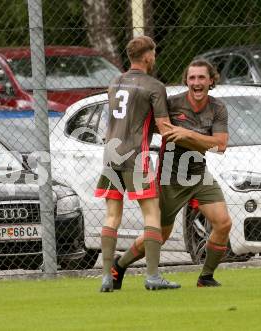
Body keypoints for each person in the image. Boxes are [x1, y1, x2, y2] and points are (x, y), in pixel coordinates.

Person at [111, 59, 232, 288]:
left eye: (201, 78)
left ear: (211, 81)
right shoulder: (172, 104)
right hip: (170, 178)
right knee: (160, 236)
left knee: (223, 223)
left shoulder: (218, 108)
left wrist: (186, 135)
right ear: (186, 81)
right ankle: (120, 265)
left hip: (198, 174)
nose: (196, 82)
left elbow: (220, 146)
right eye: (192, 78)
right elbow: (149, 125)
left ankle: (205, 278)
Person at [95, 35, 180, 292]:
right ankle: (153, 276)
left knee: (112, 216)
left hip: (111, 155)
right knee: (152, 214)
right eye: (153, 53)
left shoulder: (115, 82)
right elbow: (164, 127)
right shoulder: (153, 85)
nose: (155, 58)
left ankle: (107, 277)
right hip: (137, 155)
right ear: (147, 56)